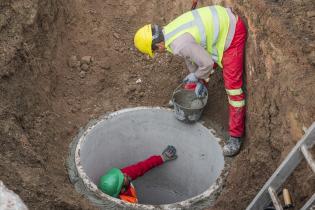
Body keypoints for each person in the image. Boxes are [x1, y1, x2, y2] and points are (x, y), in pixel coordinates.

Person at [133, 5, 247, 157]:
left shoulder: (179, 44)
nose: (156, 53)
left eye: (154, 51)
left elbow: (206, 63)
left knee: (233, 89)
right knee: (197, 74)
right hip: (220, 22)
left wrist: (197, 76)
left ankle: (236, 137)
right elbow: (190, 56)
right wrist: (197, 77)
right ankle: (188, 95)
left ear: (159, 45)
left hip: (232, 33)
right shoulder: (168, 31)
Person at [98, 145, 177, 203]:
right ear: (122, 189)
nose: (125, 174)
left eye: (120, 174)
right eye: (123, 178)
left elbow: (142, 166)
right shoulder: (125, 204)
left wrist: (162, 158)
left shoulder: (122, 176)